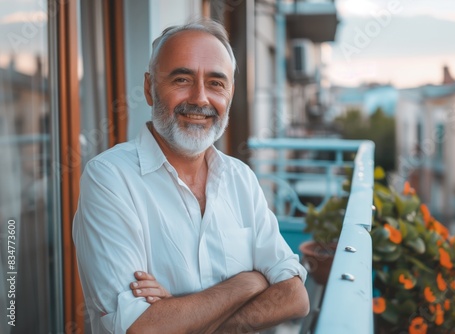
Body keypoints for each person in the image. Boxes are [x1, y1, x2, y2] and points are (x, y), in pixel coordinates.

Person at [73, 19, 309, 334]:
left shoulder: (241, 178)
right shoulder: (109, 179)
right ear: (149, 88)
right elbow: (140, 328)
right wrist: (247, 282)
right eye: (182, 79)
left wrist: (184, 317)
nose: (199, 99)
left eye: (215, 83)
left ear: (230, 93)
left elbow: (295, 297)